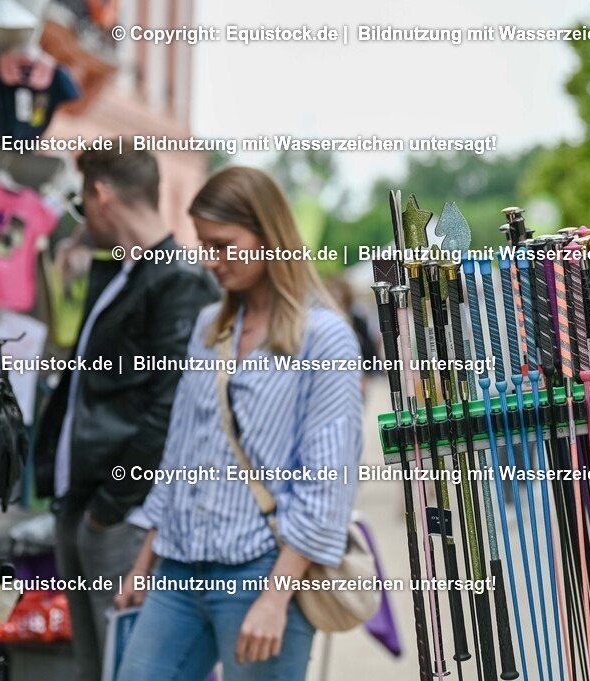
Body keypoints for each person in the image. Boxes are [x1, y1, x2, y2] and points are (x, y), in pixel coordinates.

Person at [114, 167, 363, 681]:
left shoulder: (324, 338)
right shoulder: (211, 326)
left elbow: (327, 486)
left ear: (269, 236)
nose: (211, 260)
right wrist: (143, 564)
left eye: (224, 245)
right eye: (204, 244)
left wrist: (275, 598)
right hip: (179, 566)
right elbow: (181, 452)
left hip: (263, 569)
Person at [34, 149, 219, 681]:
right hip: (88, 501)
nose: (80, 215)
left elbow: (171, 409)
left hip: (119, 512)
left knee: (126, 665)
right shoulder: (124, 272)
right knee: (98, 667)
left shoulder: (178, 279)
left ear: (101, 193)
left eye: (81, 200)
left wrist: (111, 506)